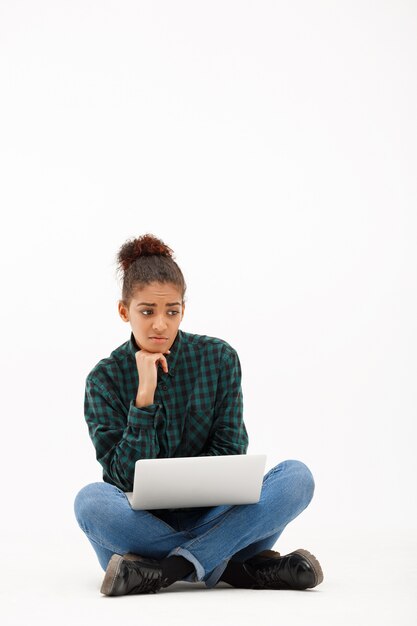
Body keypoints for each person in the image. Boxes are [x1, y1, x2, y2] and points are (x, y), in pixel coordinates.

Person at [73, 233, 324, 596]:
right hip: (141, 528)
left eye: (171, 311)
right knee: (91, 501)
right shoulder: (104, 379)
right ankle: (237, 569)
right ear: (124, 311)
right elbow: (122, 476)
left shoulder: (218, 358)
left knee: (297, 478)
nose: (160, 324)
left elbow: (232, 450)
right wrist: (144, 399)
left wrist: (197, 491)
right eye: (147, 311)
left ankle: (167, 570)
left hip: (215, 515)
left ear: (183, 310)